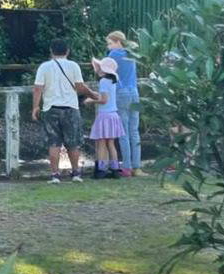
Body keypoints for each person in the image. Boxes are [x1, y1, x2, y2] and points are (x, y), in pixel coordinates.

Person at [32, 39, 98, 184]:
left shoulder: (44, 67)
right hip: (70, 108)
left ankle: (55, 175)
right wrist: (93, 95)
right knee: (73, 143)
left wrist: (35, 107)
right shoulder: (73, 66)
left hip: (50, 108)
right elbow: (80, 87)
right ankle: (76, 173)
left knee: (53, 143)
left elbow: (38, 88)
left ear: (51, 51)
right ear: (67, 51)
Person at [106, 31, 147, 177]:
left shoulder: (113, 55)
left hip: (121, 92)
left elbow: (106, 72)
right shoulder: (131, 53)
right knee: (134, 131)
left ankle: (127, 167)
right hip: (134, 92)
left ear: (118, 41)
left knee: (123, 132)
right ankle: (137, 167)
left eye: (110, 43)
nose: (109, 46)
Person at [85, 57, 126, 179]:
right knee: (111, 144)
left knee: (101, 143)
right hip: (113, 114)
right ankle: (115, 169)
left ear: (104, 70)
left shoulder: (103, 81)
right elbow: (106, 96)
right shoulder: (112, 81)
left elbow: (104, 100)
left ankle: (101, 170)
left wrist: (91, 101)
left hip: (104, 115)